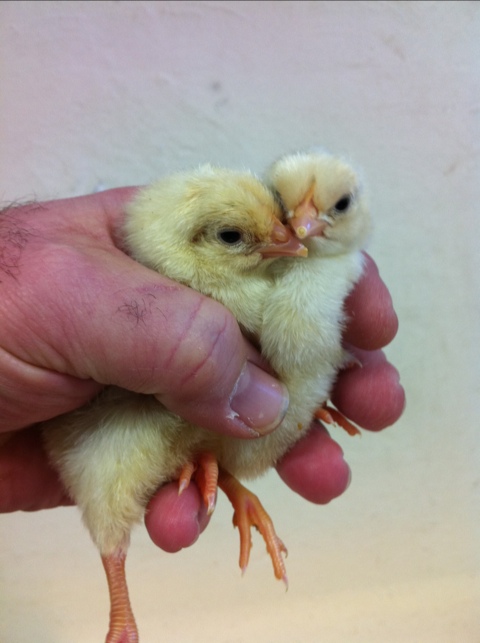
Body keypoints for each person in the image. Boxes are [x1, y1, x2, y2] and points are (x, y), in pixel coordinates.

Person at [0, 188, 405, 553]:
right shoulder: (179, 304)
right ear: (187, 248)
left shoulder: (273, 284)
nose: (288, 238)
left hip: (201, 438)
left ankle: (225, 477)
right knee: (119, 479)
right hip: (112, 436)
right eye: (233, 236)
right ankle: (118, 597)